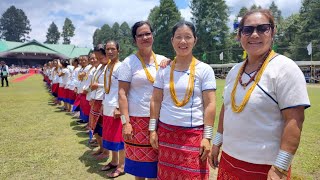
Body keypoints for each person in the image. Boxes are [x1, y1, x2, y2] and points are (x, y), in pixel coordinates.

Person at [209, 9, 310, 180]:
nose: (254, 35)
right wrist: (217, 141)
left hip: (265, 167)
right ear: (239, 35)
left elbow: (294, 120)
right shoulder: (234, 71)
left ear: (272, 32)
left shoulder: (285, 68)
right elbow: (227, 109)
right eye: (247, 30)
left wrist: (280, 168)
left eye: (262, 28)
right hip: (229, 159)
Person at [149, 21, 216, 180]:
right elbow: (156, 100)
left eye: (188, 37)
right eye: (178, 37)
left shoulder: (204, 70)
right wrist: (153, 130)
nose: (183, 41)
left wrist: (207, 137)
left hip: (193, 136)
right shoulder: (164, 69)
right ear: (172, 41)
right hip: (166, 134)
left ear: (195, 40)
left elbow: (210, 104)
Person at [118, 21, 167, 179]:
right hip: (137, 121)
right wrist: (126, 123)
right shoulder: (128, 63)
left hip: (162, 119)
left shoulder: (164, 61)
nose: (145, 37)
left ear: (153, 35)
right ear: (135, 40)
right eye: (140, 35)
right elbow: (122, 94)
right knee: (140, 169)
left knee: (158, 164)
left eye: (148, 33)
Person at [101, 41, 125, 178]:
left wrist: (118, 107)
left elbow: (123, 89)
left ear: (118, 51)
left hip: (116, 107)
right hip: (107, 105)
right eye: (107, 49)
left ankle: (122, 166)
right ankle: (114, 161)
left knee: (119, 137)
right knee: (111, 136)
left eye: (113, 49)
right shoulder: (107, 66)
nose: (110, 52)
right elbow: (107, 87)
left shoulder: (121, 67)